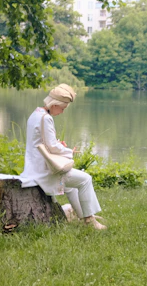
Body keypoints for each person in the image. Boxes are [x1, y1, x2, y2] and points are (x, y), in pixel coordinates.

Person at [19, 84, 107, 230]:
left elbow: (42, 142)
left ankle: (84, 216)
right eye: (62, 108)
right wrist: (68, 152)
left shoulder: (35, 114)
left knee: (71, 187)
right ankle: (90, 221)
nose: (62, 112)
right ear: (54, 105)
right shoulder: (46, 118)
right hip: (44, 170)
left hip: (34, 167)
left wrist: (58, 145)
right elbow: (52, 146)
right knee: (86, 179)